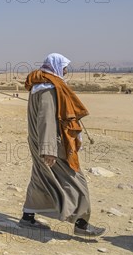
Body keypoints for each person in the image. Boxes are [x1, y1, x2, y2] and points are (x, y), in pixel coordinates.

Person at [19, 53, 106, 237]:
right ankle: (81, 223)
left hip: (39, 141)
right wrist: (49, 150)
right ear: (56, 66)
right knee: (76, 180)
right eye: (64, 66)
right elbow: (47, 120)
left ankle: (28, 217)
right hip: (51, 144)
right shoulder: (49, 89)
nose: (66, 70)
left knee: (41, 177)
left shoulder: (39, 86)